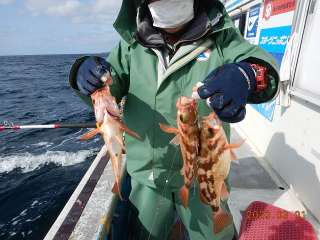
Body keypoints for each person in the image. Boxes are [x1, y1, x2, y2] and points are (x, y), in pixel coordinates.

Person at [69, 0, 279, 239]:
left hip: (204, 170)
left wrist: (248, 74)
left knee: (216, 233)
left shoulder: (222, 36)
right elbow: (108, 86)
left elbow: (262, 66)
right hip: (147, 173)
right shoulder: (131, 45)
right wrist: (85, 76)